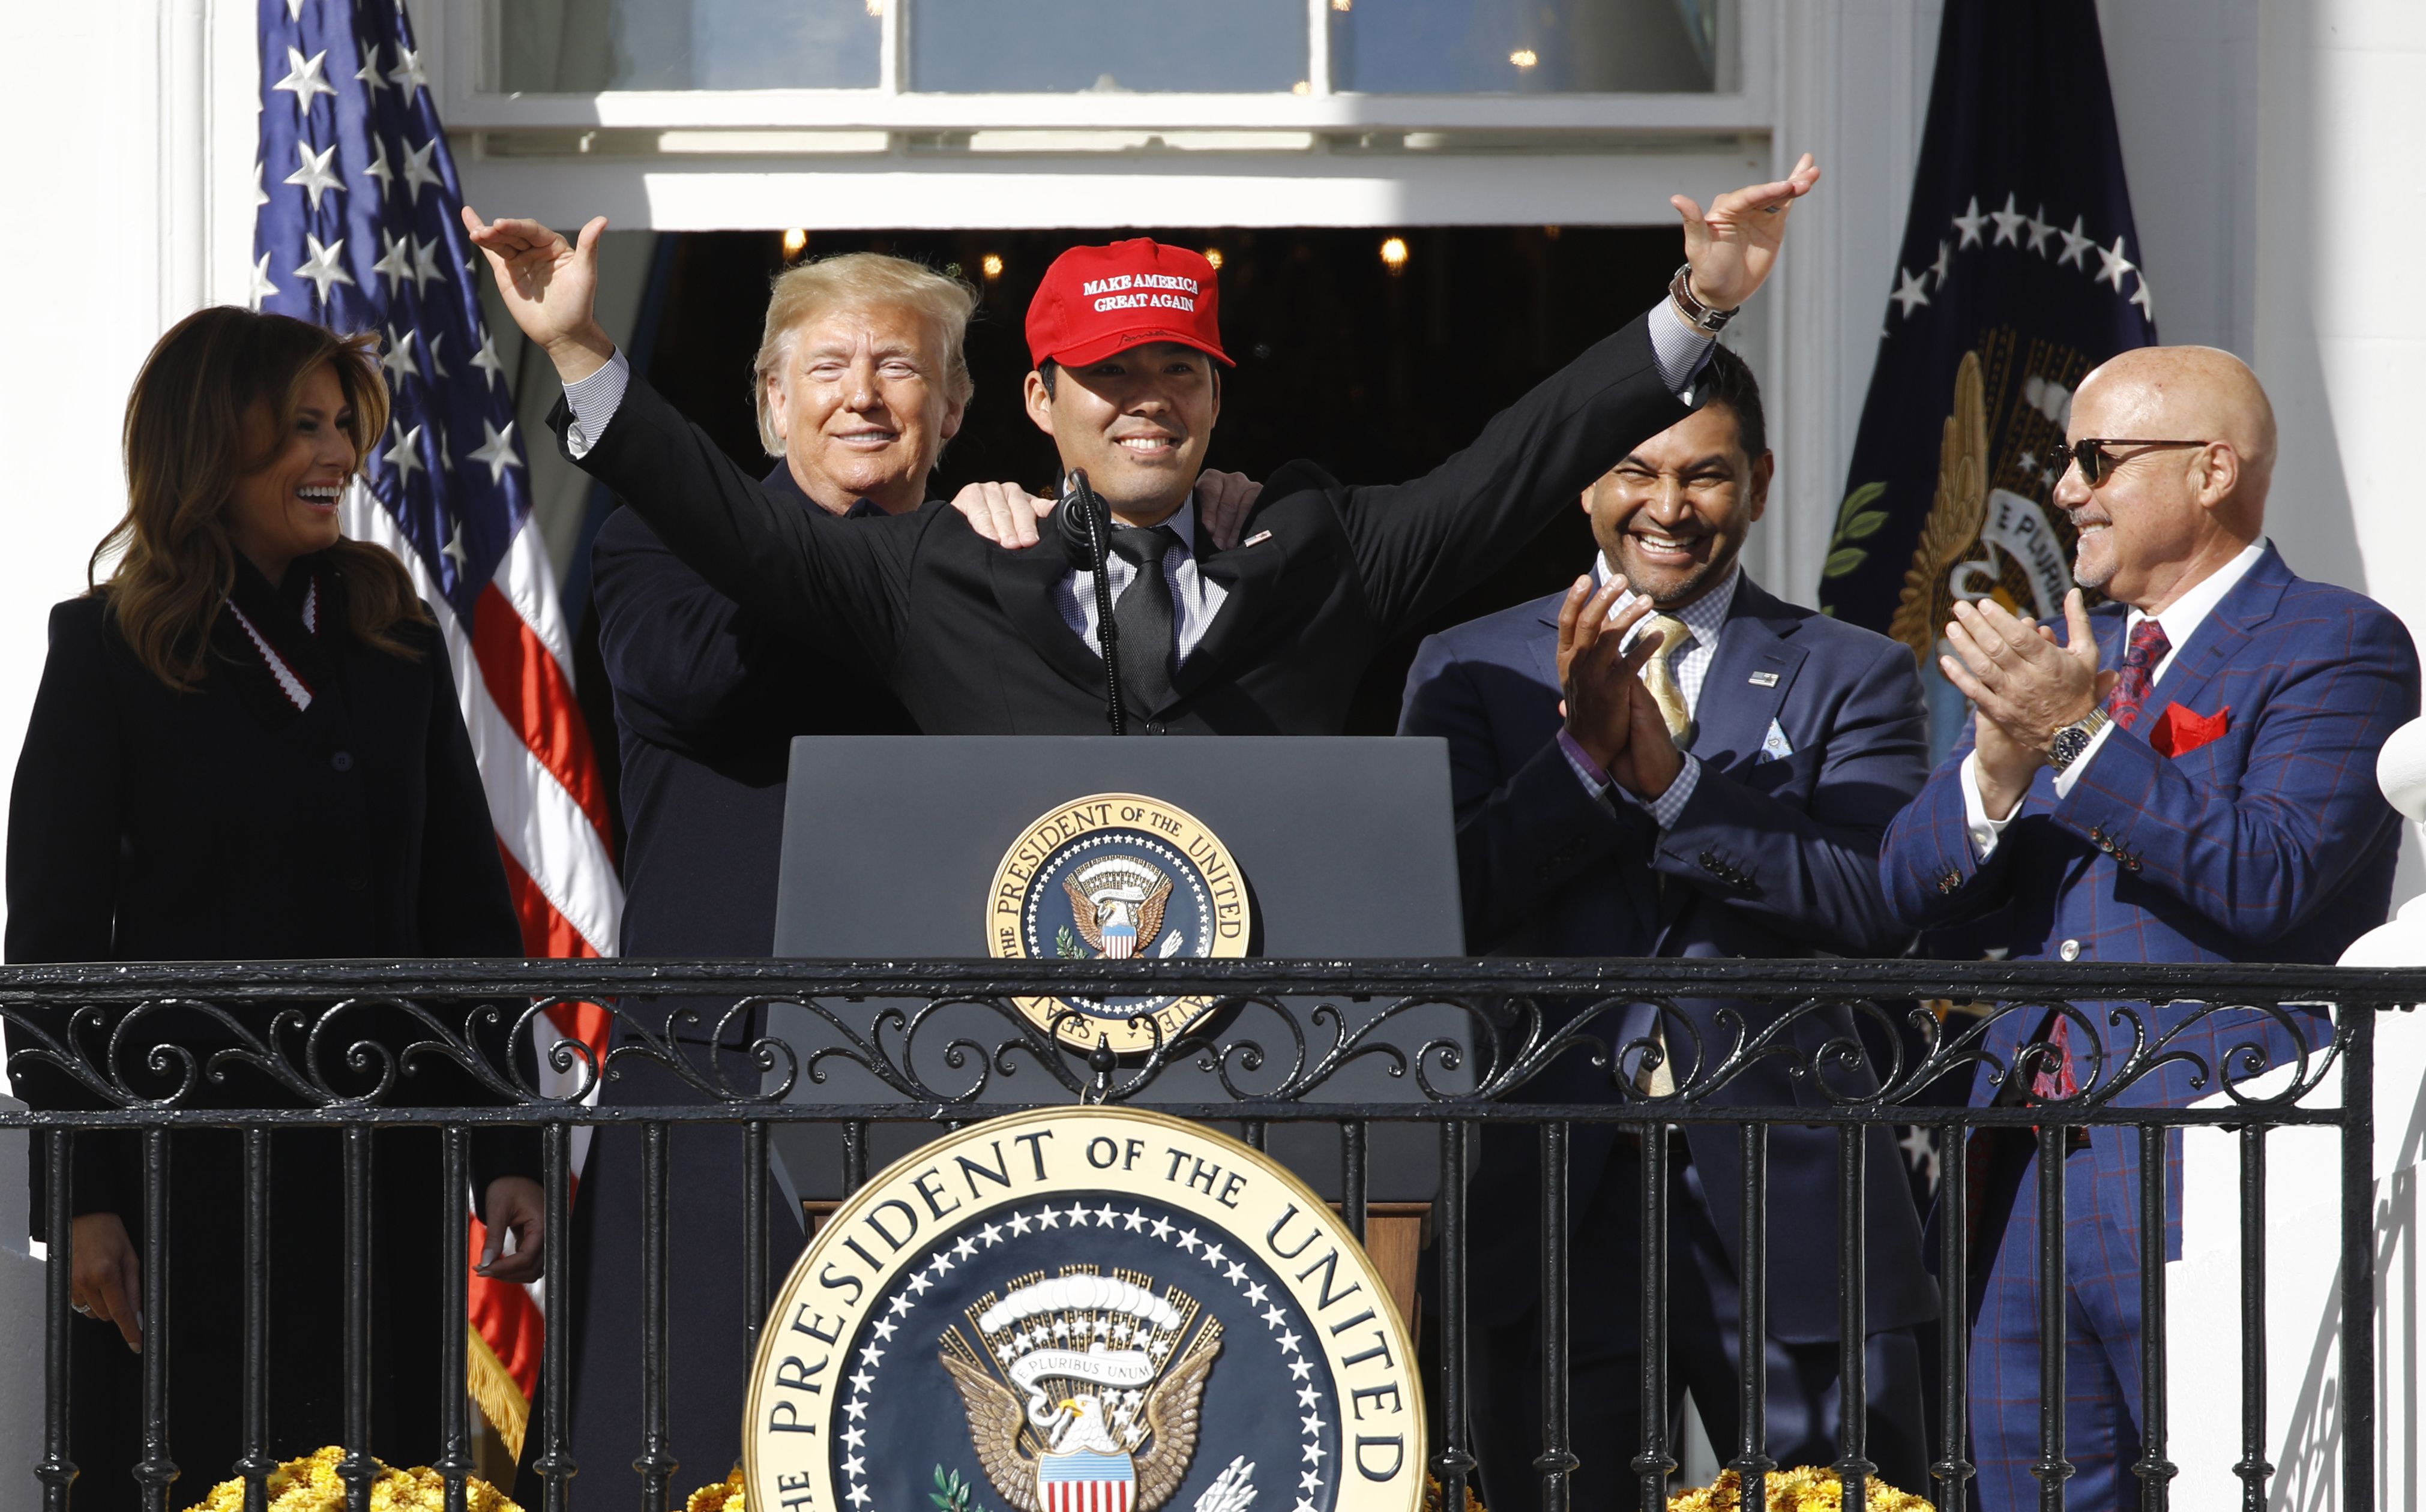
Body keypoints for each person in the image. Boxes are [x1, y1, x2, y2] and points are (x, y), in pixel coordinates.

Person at [567, 250, 1258, 1487]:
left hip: (964, 1089)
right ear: (769, 404)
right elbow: (702, 685)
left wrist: (1192, 531)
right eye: (825, 367)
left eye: (900, 369)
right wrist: (912, 563)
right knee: (680, 1455)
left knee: (933, 1459)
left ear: (953, 411)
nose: (863, 397)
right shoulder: (656, 544)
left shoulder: (1016, 566)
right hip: (716, 1082)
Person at [460, 154, 1820, 739]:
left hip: (1263, 1104)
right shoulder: (937, 568)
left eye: (1176, 372)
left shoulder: (1321, 553)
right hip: (1001, 1104)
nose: (1146, 403)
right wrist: (582, 353)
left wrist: (1695, 304)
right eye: (1108, 380)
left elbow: (1514, 465)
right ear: (1040, 404)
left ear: (1216, 400)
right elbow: (734, 524)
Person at [2, 307, 544, 1505]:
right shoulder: (102, 652)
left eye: (345, 426)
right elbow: (49, 951)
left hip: (375, 1172)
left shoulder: (392, 641)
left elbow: (465, 912)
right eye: (303, 426)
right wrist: (81, 1197)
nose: (339, 455)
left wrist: (508, 1147)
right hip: (174, 1188)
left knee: (373, 1476)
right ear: (209, 442)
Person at [1877, 346, 2419, 1510]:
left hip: (2210, 1155)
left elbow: (2267, 875)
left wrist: (2077, 737)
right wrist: (1994, 765)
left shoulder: (2333, 644)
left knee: (2234, 1484)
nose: (2064, 490)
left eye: (2092, 459)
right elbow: (1899, 885)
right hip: (2028, 1166)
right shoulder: (2079, 663)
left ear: (2211, 469)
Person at [1398, 346, 1938, 1508]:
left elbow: (1876, 903)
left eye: (1704, 475)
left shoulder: (1852, 673)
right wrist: (1584, 767)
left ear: (1758, 480)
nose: (1668, 506)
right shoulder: (1470, 665)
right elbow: (1439, 908)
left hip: (1782, 1202)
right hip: (1548, 1201)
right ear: (1585, 485)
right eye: (1636, 471)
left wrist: (1679, 788)